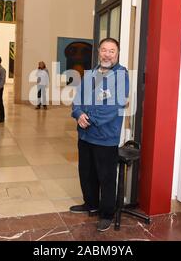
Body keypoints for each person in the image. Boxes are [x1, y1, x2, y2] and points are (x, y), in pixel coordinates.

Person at [69, 38, 129, 232]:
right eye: (104, 50)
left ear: (117, 54)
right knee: (86, 172)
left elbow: (114, 106)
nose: (107, 54)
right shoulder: (91, 73)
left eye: (112, 51)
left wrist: (90, 119)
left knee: (106, 176)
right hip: (85, 135)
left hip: (105, 136)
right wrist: (78, 114)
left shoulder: (121, 75)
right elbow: (77, 98)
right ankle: (91, 203)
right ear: (99, 52)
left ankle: (106, 213)